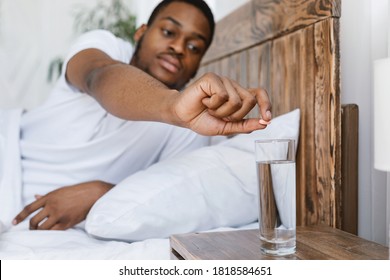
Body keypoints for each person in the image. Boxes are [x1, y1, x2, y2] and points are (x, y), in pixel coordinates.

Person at [9, 0, 271, 231]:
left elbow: (160, 197)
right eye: (169, 32)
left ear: (198, 65)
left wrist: (101, 193)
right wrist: (173, 105)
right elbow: (98, 75)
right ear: (141, 32)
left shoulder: (191, 126)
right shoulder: (105, 47)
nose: (179, 48)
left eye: (193, 47)